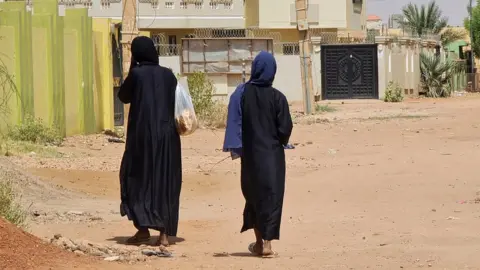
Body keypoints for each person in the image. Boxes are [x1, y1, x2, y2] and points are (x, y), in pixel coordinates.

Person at [223, 51, 293, 257]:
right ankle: (268, 245)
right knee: (271, 198)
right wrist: (281, 142)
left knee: (253, 197)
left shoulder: (242, 94)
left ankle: (258, 243)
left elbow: (236, 124)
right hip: (273, 157)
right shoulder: (278, 97)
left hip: (251, 157)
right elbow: (285, 128)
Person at [118, 36, 182, 247]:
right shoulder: (169, 76)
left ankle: (143, 229)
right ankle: (164, 235)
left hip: (142, 138)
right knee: (164, 181)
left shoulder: (136, 74)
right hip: (167, 138)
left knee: (137, 178)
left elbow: (123, 97)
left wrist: (131, 68)